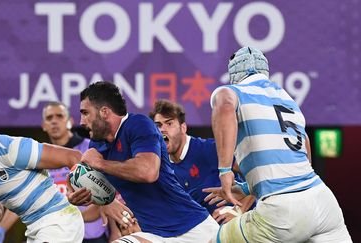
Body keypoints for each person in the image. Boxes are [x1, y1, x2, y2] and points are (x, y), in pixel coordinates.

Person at [207, 46, 352, 242]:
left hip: (283, 210)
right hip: (323, 201)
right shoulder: (288, 100)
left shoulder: (232, 91)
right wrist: (248, 189)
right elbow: (305, 151)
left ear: (234, 75)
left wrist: (225, 171)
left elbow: (224, 104)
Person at [77, 81, 220, 242]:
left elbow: (148, 172)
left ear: (104, 112)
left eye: (85, 113)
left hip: (194, 229)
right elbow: (81, 175)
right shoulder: (97, 144)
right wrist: (97, 200)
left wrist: (101, 164)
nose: (82, 121)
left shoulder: (138, 124)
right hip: (154, 235)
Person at [0, 100, 84, 242]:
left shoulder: (12, 148)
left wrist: (100, 199)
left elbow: (73, 156)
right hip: (35, 228)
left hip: (60, 221)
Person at [0, 101, 110, 243]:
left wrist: (65, 220)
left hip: (90, 236)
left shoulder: (89, 149)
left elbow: (105, 194)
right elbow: (26, 196)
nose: (54, 121)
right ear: (43, 126)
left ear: (70, 121)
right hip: (57, 235)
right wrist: (0, 229)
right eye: (49, 118)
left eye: (59, 116)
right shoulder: (38, 157)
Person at [149, 99, 255, 223]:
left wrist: (238, 210)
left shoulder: (209, 149)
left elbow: (257, 173)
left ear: (183, 128)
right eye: (158, 126)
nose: (162, 130)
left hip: (245, 223)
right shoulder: (161, 168)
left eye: (169, 123)